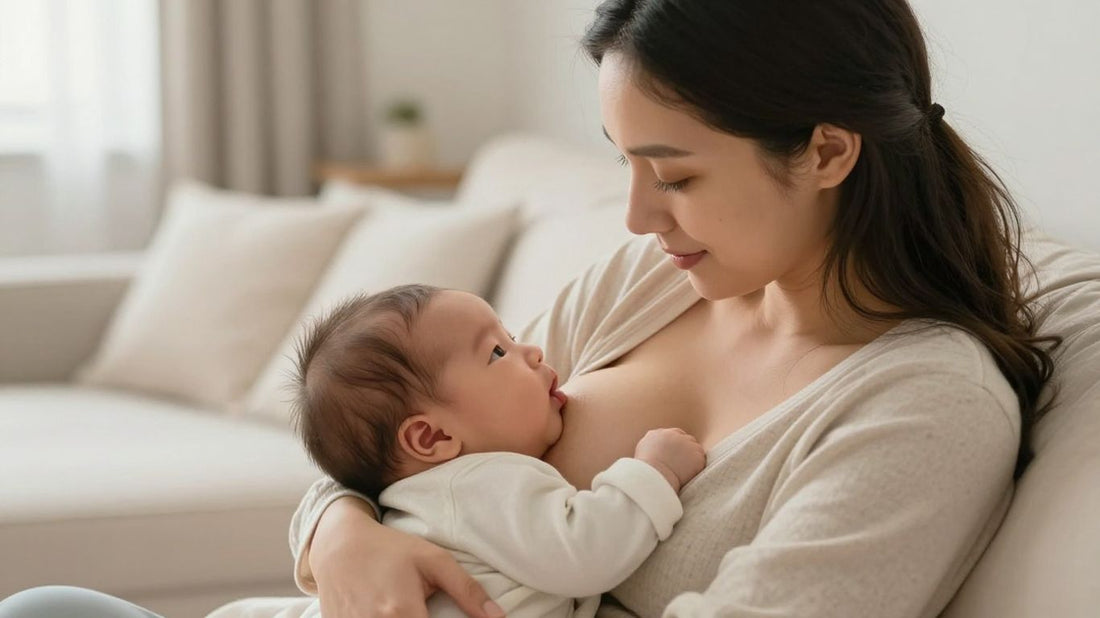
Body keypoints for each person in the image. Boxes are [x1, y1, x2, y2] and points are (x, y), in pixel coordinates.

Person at [0, 0, 1061, 616]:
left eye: (674, 174)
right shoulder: (656, 281)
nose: (638, 215)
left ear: (827, 150)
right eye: (623, 168)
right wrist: (339, 530)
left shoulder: (921, 408)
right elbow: (414, 453)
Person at [286, 283, 706, 617]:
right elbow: (583, 553)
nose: (535, 351)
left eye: (513, 337)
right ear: (431, 438)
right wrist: (654, 472)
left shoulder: (417, 497)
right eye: (498, 352)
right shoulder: (478, 482)